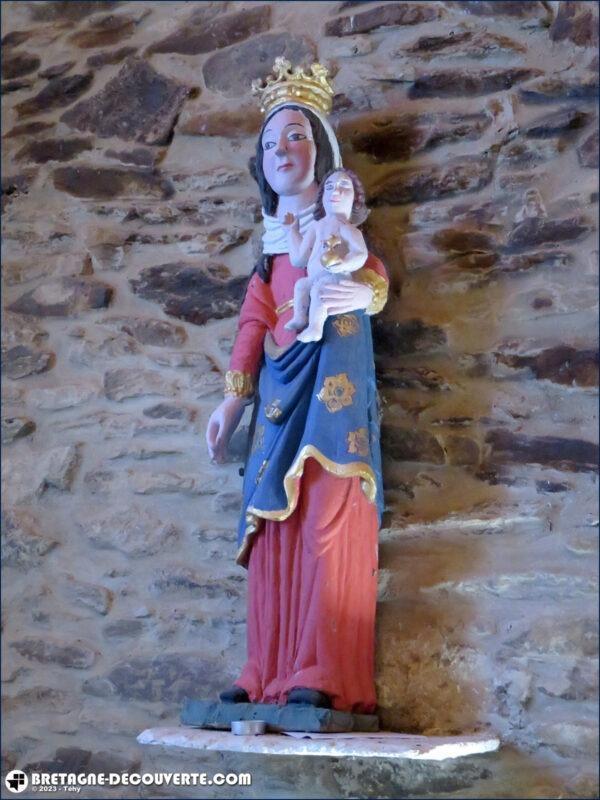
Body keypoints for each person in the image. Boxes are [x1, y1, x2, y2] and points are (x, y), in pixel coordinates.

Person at [205, 59, 389, 713]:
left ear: (322, 151)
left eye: (297, 136)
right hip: (277, 404)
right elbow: (254, 323)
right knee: (268, 531)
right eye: (271, 142)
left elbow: (376, 280)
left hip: (333, 390)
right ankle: (264, 670)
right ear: (261, 164)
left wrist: (361, 292)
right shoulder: (272, 253)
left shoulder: (341, 233)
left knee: (325, 519)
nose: (283, 150)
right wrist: (232, 399)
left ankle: (324, 668)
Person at [283, 168, 369, 343]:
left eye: (344, 186)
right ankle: (300, 317)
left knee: (320, 291)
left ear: (355, 199)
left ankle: (315, 328)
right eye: (329, 187)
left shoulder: (347, 229)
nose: (335, 191)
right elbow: (299, 258)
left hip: (335, 276)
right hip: (314, 277)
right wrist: (292, 231)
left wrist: (344, 264)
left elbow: (361, 254)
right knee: (301, 285)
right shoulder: (316, 227)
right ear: (321, 197)